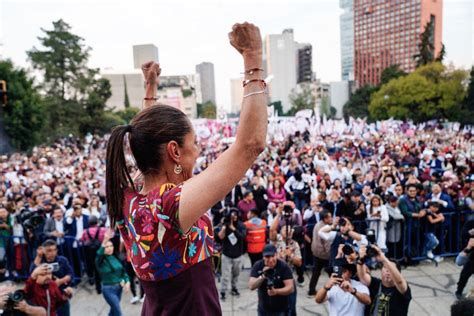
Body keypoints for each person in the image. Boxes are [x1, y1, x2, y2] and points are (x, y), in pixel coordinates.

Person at [105, 22, 267, 315]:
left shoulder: (128, 196)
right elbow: (250, 145)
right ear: (174, 151)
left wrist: (150, 91)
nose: (199, 150)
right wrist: (253, 58)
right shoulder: (169, 206)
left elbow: (144, 139)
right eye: (194, 142)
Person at [357, 245, 412, 316]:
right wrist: (360, 259)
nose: (387, 271)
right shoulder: (376, 283)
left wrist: (384, 259)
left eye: (390, 269)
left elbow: (399, 281)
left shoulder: (401, 290)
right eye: (385, 268)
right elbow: (362, 277)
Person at [30, 240, 73, 316]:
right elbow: (31, 274)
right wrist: (39, 256)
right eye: (49, 250)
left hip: (61, 297)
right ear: (43, 251)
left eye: (54, 250)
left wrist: (60, 281)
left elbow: (70, 274)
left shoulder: (62, 260)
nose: (52, 253)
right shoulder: (40, 261)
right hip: (45, 299)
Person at [248, 244, 294, 316]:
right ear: (263, 257)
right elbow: (251, 286)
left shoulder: (283, 266)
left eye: (273, 256)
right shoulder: (258, 265)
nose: (270, 260)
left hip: (280, 309)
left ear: (276, 255)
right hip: (263, 309)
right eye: (267, 257)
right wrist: (263, 275)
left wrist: (276, 291)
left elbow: (290, 288)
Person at [95, 229, 130, 316]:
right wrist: (105, 240)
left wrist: (127, 281)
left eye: (111, 246)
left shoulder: (115, 257)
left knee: (113, 311)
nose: (110, 248)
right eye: (107, 247)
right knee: (118, 312)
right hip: (108, 289)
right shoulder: (100, 260)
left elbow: (123, 273)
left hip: (119, 288)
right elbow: (99, 254)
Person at [216, 208, 246, 300]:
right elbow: (220, 237)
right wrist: (225, 227)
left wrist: (234, 229)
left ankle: (234, 288)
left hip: (238, 255)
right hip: (226, 255)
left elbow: (242, 237)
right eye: (232, 216)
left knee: (236, 274)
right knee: (225, 275)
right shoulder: (225, 224)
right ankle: (223, 291)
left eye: (236, 215)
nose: (234, 217)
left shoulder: (241, 225)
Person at [308, 210, 333, 297]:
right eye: (329, 217)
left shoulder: (317, 224)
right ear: (325, 219)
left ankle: (311, 290)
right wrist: (330, 255)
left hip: (316, 252)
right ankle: (335, 289)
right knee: (331, 272)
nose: (331, 218)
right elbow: (327, 244)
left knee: (316, 272)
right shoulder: (325, 228)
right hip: (324, 254)